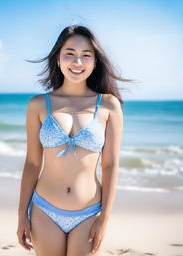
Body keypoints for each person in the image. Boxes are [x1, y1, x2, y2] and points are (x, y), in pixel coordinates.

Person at [17, 25, 132, 256]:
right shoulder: (38, 105)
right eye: (69, 53)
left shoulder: (109, 105)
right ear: (58, 58)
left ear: (95, 62)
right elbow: (32, 163)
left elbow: (110, 166)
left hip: (89, 212)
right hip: (44, 209)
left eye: (86, 55)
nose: (77, 62)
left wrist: (104, 219)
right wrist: (22, 215)